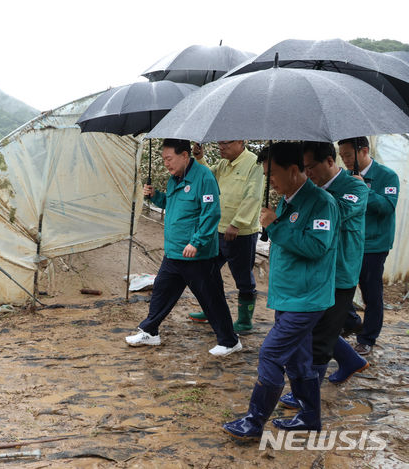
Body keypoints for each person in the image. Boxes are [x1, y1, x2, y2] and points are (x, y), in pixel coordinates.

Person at [223, 142, 339, 439]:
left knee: (271, 354)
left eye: (272, 173)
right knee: (297, 359)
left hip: (307, 298)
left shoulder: (321, 203)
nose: (269, 180)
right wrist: (276, 221)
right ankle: (310, 416)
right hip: (288, 296)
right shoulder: (288, 199)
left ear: (293, 169)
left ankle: (254, 420)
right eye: (266, 174)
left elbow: (316, 247)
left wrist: (276, 225)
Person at [275, 141, 370, 424]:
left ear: (330, 161)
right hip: (316, 271)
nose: (307, 173)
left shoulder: (355, 188)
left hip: (340, 273)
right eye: (302, 168)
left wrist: (306, 194)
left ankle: (307, 399)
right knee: (313, 328)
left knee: (320, 338)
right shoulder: (311, 192)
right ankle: (351, 360)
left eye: (310, 167)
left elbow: (334, 212)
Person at [125, 138, 241, 357]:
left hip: (197, 255)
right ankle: (150, 331)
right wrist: (155, 196)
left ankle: (229, 341)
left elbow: (211, 212)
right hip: (174, 251)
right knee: (161, 291)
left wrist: (196, 242)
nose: (166, 163)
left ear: (185, 156)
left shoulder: (204, 177)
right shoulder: (174, 179)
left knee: (211, 298)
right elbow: (173, 205)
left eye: (169, 159)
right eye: (163, 159)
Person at [190, 141, 263, 332]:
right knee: (209, 270)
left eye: (226, 143)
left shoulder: (253, 163)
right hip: (218, 228)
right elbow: (208, 177)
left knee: (243, 276)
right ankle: (212, 310)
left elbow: (253, 196)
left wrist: (238, 223)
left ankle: (245, 321)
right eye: (220, 143)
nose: (222, 147)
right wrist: (199, 158)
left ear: (241, 142)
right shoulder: (223, 164)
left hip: (240, 232)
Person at [337, 137, 399, 356]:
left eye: (347, 155)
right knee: (340, 287)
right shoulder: (344, 176)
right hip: (348, 242)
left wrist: (363, 189)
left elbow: (387, 207)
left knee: (371, 292)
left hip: (374, 245)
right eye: (341, 155)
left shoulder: (387, 176)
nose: (344, 160)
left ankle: (367, 338)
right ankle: (352, 322)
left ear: (364, 150)